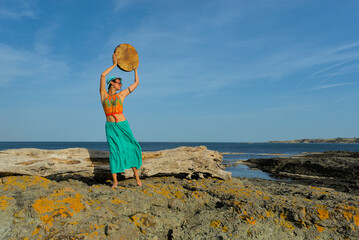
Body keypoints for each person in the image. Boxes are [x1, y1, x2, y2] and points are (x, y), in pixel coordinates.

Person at [100, 53, 142, 188]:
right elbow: (102, 75)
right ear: (112, 83)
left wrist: (135, 69)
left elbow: (136, 83)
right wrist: (114, 64)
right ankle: (115, 182)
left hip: (123, 125)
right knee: (114, 151)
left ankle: (137, 177)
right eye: (118, 82)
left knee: (131, 147)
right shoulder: (103, 95)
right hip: (111, 127)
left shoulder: (121, 95)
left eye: (121, 83)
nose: (121, 85)